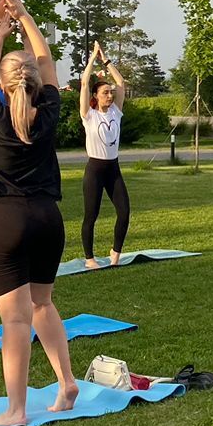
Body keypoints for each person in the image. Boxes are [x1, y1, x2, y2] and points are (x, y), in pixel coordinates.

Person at [0, 0, 78, 425]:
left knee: (14, 321)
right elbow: (47, 61)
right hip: (47, 218)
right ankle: (66, 381)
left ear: (1, 81)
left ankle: (16, 409)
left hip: (6, 219)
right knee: (42, 305)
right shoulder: (48, 109)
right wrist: (26, 17)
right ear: (34, 81)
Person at [78, 42, 130, 269]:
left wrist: (105, 59)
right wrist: (91, 59)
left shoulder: (116, 113)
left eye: (110, 93)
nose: (110, 95)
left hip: (113, 168)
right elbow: (84, 83)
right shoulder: (88, 115)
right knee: (91, 215)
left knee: (125, 211)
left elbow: (121, 83)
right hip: (95, 170)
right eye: (105, 93)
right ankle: (89, 259)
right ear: (96, 96)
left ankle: (115, 253)